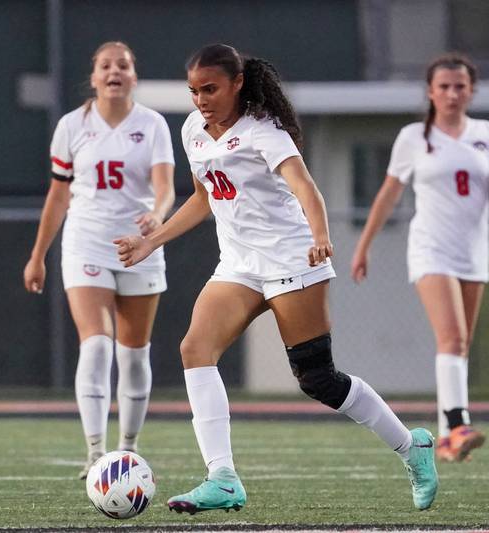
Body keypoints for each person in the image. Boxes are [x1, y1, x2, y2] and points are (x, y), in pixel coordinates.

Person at [114, 43, 438, 514]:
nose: (201, 99)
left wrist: (321, 236)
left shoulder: (264, 131)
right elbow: (206, 196)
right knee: (194, 349)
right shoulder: (191, 130)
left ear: (238, 83)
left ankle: (413, 448)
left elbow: (305, 186)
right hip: (240, 264)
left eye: (210, 89)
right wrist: (152, 240)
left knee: (318, 380)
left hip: (292, 258)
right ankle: (222, 477)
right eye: (194, 91)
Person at [351, 53, 489, 463]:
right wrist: (364, 245)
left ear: (471, 90)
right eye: (443, 86)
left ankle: (449, 435)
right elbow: (389, 193)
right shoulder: (414, 137)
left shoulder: (486, 133)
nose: (451, 93)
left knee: (460, 347)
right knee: (452, 338)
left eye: (459, 86)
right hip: (430, 247)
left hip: (472, 250)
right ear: (430, 92)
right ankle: (456, 424)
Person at [23, 41, 176, 478]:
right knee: (96, 343)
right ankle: (94, 452)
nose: (114, 72)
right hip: (86, 242)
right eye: (106, 65)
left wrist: (157, 215)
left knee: (133, 354)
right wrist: (38, 255)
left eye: (123, 65)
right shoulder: (72, 126)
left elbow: (165, 187)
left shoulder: (153, 125)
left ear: (134, 75)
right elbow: (58, 195)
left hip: (140, 246)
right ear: (93, 77)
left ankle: (127, 450)